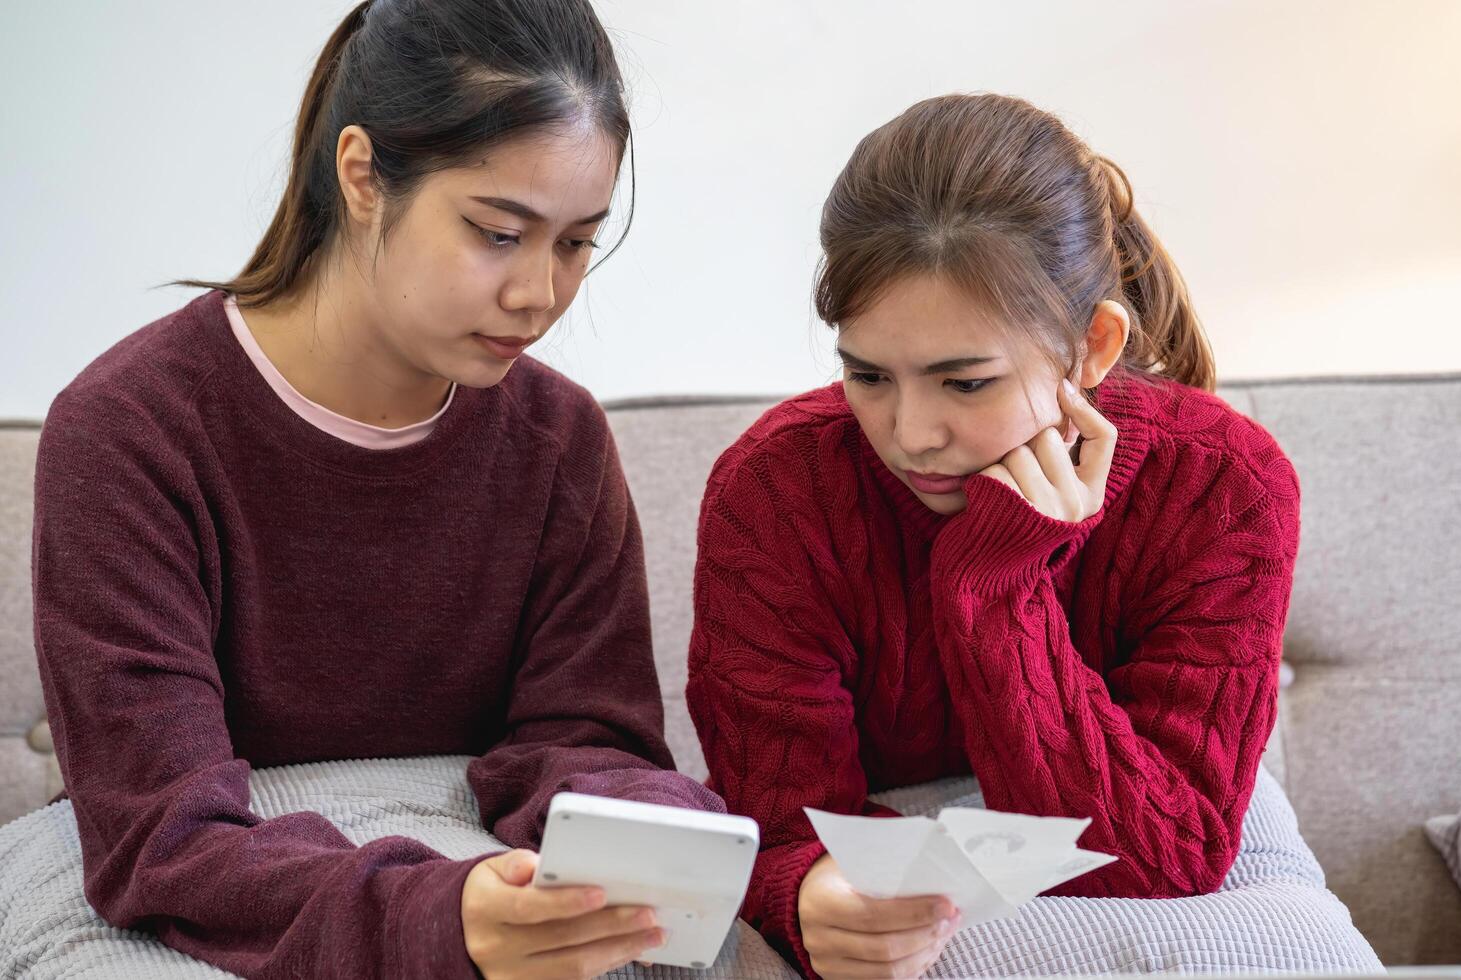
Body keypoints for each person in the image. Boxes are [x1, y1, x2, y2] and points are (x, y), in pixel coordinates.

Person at [31, 2, 722, 977]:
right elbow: (164, 832)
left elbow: (590, 744)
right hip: (240, 887)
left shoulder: (560, 439)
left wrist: (664, 843)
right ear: (362, 174)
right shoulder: (128, 432)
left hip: (483, 869)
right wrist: (432, 911)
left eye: (576, 244)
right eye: (498, 232)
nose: (540, 294)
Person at [686, 93, 1301, 980]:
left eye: (964, 383)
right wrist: (805, 887)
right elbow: (780, 821)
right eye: (867, 375)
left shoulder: (1224, 487)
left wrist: (998, 584)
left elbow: (1160, 858)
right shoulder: (776, 492)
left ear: (1091, 347)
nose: (910, 433)